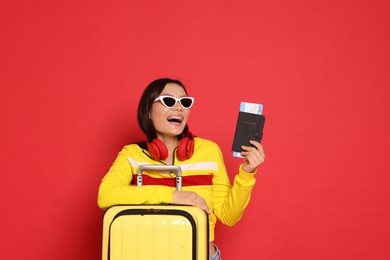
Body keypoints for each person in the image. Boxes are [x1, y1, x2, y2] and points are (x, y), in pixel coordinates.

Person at [97, 78, 265, 260]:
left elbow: (228, 215)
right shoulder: (131, 155)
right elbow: (106, 195)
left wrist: (247, 173)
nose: (179, 108)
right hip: (146, 253)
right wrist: (172, 196)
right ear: (148, 112)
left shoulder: (209, 151)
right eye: (168, 101)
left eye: (184, 102)